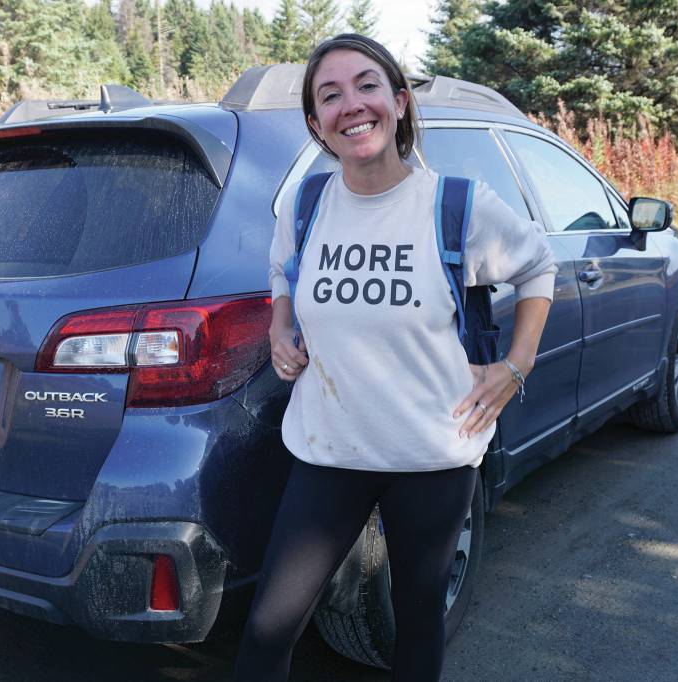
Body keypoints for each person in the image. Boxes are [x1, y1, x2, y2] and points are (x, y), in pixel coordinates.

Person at [233, 34, 557, 682]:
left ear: (400, 102)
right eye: (330, 95)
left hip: (432, 455)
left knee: (417, 624)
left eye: (367, 86)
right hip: (328, 450)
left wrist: (515, 366)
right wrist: (280, 324)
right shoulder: (307, 204)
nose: (352, 105)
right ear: (316, 123)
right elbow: (282, 270)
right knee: (268, 630)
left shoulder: (456, 205)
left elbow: (538, 266)